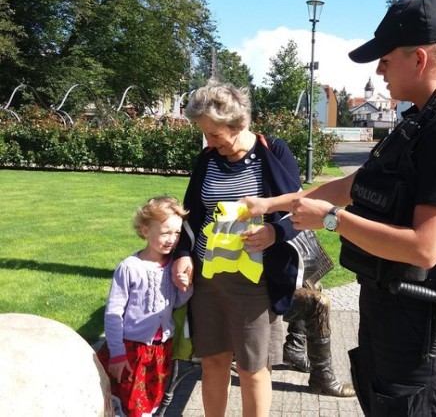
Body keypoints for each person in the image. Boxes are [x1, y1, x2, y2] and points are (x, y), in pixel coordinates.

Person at [240, 0, 436, 415]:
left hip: (422, 334)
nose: (379, 70)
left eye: (386, 59)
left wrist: (332, 222)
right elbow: (345, 187)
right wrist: (269, 205)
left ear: (420, 59)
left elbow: (426, 247)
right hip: (389, 313)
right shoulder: (416, 123)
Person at [171, 80, 304, 417]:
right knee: (213, 362)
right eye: (205, 135)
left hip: (253, 282)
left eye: (215, 134)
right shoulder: (208, 159)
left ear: (238, 123)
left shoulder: (273, 151)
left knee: (251, 368)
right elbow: (191, 214)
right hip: (207, 279)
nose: (210, 142)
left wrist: (275, 231)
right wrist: (183, 254)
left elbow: (299, 209)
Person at [98, 196, 193, 417]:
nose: (172, 239)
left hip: (160, 350)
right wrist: (117, 353)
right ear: (145, 230)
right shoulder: (130, 267)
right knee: (132, 404)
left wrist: (185, 287)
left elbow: (175, 303)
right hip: (132, 350)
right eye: (165, 232)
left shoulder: (171, 265)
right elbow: (113, 314)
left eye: (177, 233)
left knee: (152, 401)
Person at [283, 283, 356, 397]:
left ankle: (295, 347)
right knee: (319, 302)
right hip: (261, 291)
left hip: (270, 282)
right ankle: (322, 378)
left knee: (312, 285)